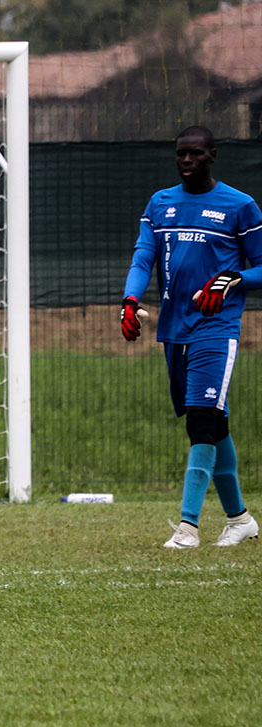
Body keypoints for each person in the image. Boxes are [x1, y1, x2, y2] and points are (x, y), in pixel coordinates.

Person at [121, 125, 262, 548]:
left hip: (216, 329)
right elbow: (144, 254)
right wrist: (130, 299)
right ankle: (240, 520)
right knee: (212, 422)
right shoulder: (159, 203)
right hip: (174, 329)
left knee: (202, 418)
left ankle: (188, 527)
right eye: (181, 153)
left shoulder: (241, 206)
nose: (187, 160)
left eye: (195, 154)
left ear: (212, 156)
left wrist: (232, 279)